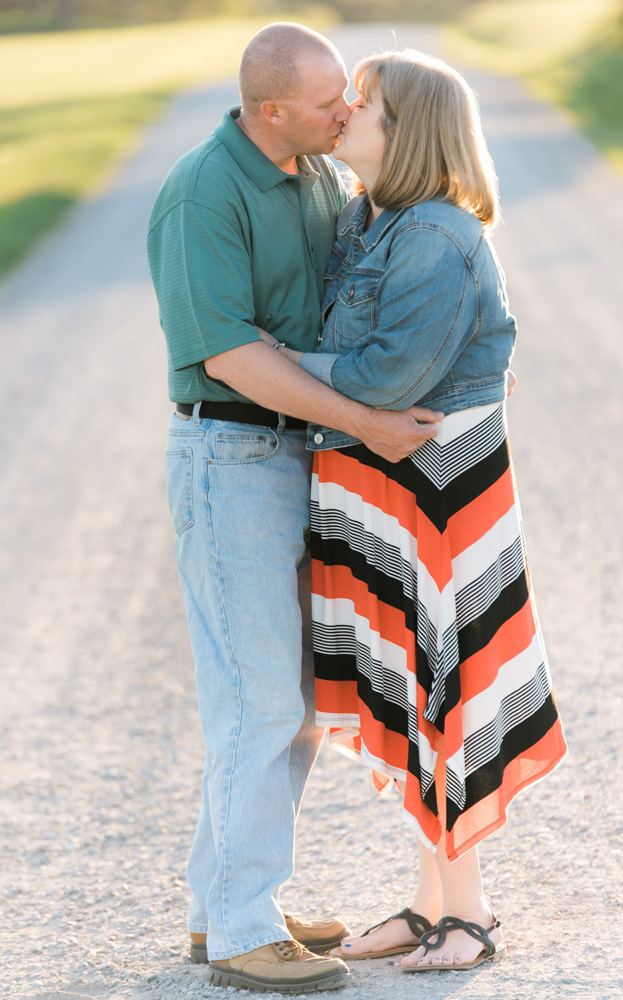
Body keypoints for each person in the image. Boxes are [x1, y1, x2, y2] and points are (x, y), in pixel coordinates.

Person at [146, 23, 443, 995]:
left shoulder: (317, 173)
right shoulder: (204, 192)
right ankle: (241, 927)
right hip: (229, 455)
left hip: (299, 458)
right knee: (258, 701)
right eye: (328, 103)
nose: (346, 113)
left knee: (298, 708)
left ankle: (219, 908)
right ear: (269, 109)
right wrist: (363, 413)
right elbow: (231, 355)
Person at [258, 48, 568, 974]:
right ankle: (433, 901)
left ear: (410, 132)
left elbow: (386, 376)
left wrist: (269, 366)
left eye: (368, 101)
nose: (346, 109)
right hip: (391, 487)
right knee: (413, 679)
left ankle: (465, 916)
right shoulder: (370, 217)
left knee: (449, 685)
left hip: (439, 494)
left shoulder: (434, 233)